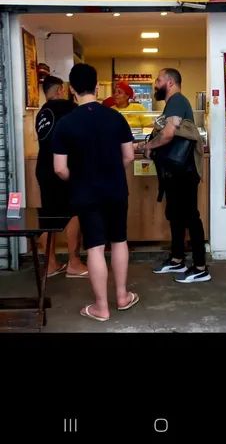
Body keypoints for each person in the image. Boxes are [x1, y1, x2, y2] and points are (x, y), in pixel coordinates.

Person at [53, 63, 139, 322]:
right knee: (119, 240)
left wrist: (79, 178)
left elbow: (59, 169)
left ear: (72, 89)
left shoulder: (66, 124)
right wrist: (110, 170)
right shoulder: (115, 116)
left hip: (86, 192)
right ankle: (122, 297)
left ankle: (101, 308)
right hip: (115, 188)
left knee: (95, 247)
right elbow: (129, 155)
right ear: (96, 85)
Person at [140, 68, 211, 283]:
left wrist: (149, 145)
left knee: (190, 216)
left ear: (170, 82)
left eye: (158, 80)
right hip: (175, 171)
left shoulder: (177, 100)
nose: (155, 85)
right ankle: (177, 259)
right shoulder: (172, 104)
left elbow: (169, 133)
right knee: (176, 215)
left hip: (184, 171)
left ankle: (200, 267)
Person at [35, 75, 88, 278]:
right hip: (65, 168)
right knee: (73, 213)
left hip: (43, 169)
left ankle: (50, 265)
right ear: (59, 89)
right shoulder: (69, 108)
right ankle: (74, 263)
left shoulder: (42, 113)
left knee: (48, 216)